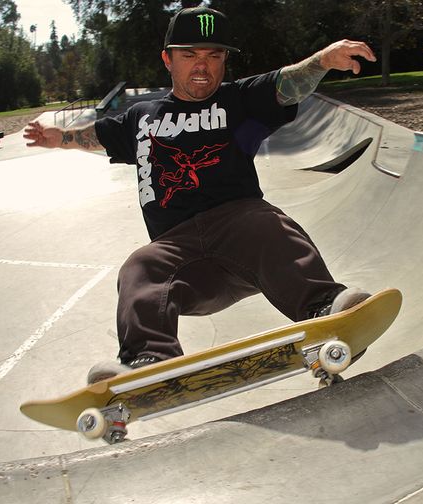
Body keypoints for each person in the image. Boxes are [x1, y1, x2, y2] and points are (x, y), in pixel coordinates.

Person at [23, 6, 378, 384]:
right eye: (189, 55)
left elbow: (284, 84)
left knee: (263, 222)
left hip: (241, 234)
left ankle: (324, 308)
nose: (202, 67)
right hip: (183, 258)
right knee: (139, 267)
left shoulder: (239, 102)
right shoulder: (141, 116)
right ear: (168, 59)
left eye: (214, 56)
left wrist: (323, 60)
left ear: (224, 60)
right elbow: (99, 135)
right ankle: (149, 362)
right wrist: (61, 139)